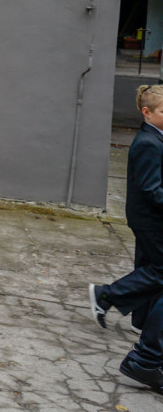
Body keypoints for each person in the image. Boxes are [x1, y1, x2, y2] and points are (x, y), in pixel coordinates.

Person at [89, 85, 163, 392]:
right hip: (150, 221)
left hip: (151, 221)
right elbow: (151, 188)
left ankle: (135, 317)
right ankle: (107, 295)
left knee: (152, 271)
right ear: (147, 112)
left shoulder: (155, 139)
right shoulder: (148, 142)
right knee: (158, 272)